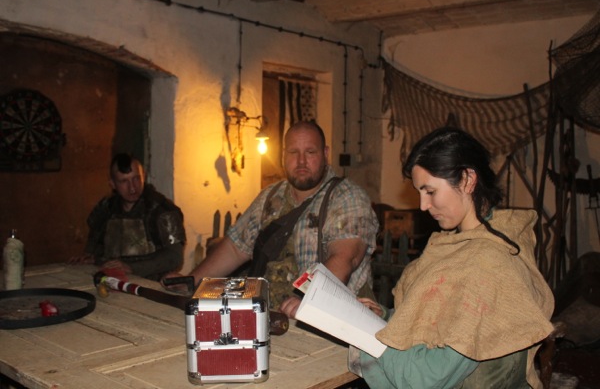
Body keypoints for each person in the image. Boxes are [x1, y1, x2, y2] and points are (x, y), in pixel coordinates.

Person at [357, 127, 555, 388]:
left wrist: (370, 334)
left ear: (467, 180)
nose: (423, 205)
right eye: (419, 193)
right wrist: (385, 316)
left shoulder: (484, 264)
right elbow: (434, 317)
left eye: (430, 191)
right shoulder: (471, 240)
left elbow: (424, 380)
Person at [166, 121, 378, 318]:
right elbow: (235, 247)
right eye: (293, 152)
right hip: (271, 318)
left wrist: (308, 300)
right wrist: (191, 281)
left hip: (330, 320)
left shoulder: (347, 198)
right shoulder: (270, 197)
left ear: (325, 154)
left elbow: (344, 257)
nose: (301, 161)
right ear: (283, 155)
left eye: (310, 152)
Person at [69, 153, 186, 281]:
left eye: (136, 178)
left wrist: (132, 267)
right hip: (111, 280)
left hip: (152, 282)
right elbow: (95, 248)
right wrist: (90, 259)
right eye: (124, 181)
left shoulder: (162, 211)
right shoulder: (105, 209)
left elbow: (174, 257)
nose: (132, 187)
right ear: (112, 183)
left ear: (144, 176)